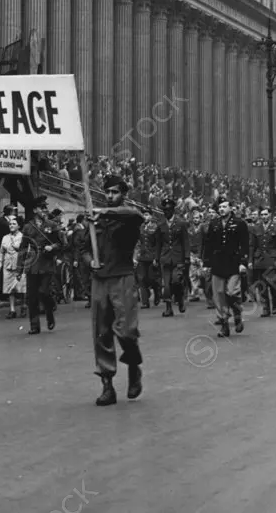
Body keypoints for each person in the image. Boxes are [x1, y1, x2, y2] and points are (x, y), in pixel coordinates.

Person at [82, 174, 144, 407]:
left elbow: (136, 215)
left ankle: (134, 367)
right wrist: (90, 262)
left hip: (123, 278)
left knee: (126, 330)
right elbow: (84, 249)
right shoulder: (94, 222)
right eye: (107, 192)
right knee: (102, 333)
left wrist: (104, 212)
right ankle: (107, 385)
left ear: (123, 195)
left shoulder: (128, 217)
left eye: (115, 192)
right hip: (100, 280)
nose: (110, 197)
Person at [202, 198, 249, 338]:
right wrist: (206, 264)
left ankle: (237, 314)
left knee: (232, 292)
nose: (221, 209)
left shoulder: (240, 223)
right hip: (217, 263)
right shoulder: (214, 223)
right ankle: (224, 324)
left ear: (231, 208)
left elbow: (245, 244)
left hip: (234, 263)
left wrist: (243, 262)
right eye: (219, 207)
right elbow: (208, 245)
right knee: (219, 295)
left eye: (224, 206)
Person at [20, 196, 63, 334]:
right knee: (32, 296)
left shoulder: (52, 225)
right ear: (34, 210)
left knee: (44, 292)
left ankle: (49, 312)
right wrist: (19, 268)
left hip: (46, 263)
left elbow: (62, 244)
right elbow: (22, 248)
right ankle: (34, 326)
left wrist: (53, 248)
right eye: (41, 208)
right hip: (32, 265)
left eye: (45, 207)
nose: (45, 210)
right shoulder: (28, 227)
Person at [155, 196, 189, 317]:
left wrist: (186, 257)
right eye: (165, 210)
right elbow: (158, 243)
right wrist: (156, 257)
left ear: (173, 210)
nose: (167, 212)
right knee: (167, 285)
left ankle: (180, 300)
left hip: (178, 257)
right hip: (165, 257)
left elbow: (185, 241)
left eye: (169, 209)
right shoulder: (160, 224)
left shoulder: (181, 223)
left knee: (176, 281)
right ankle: (168, 308)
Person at [0, 215, 25, 319]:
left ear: (19, 226)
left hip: (19, 266)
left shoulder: (22, 237)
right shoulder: (5, 237)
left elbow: (26, 252)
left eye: (14, 224)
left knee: (20, 288)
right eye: (10, 224)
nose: (11, 226)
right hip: (7, 266)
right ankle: (12, 310)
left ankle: (23, 306)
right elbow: (1, 252)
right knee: (9, 289)